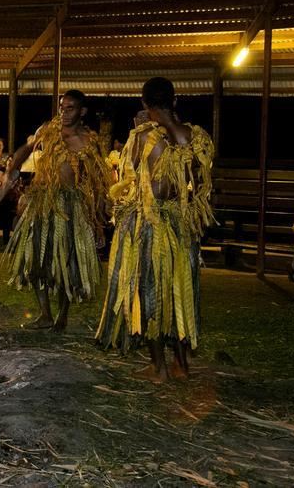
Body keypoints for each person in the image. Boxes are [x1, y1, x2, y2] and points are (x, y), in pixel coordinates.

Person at [96, 77, 215, 382]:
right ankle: (182, 365)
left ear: (145, 104)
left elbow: (130, 176)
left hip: (147, 226)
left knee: (147, 294)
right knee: (180, 293)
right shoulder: (198, 138)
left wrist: (137, 129)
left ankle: (159, 368)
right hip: (180, 226)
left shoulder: (142, 136)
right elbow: (200, 186)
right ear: (174, 102)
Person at [0, 90, 110, 331]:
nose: (64, 112)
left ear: (82, 112)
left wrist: (98, 217)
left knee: (68, 261)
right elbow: (26, 149)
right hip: (43, 201)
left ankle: (62, 315)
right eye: (61, 107)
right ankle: (45, 314)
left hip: (72, 206)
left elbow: (98, 180)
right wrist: (11, 171)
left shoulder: (90, 141)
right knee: (38, 257)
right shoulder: (47, 131)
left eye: (70, 108)